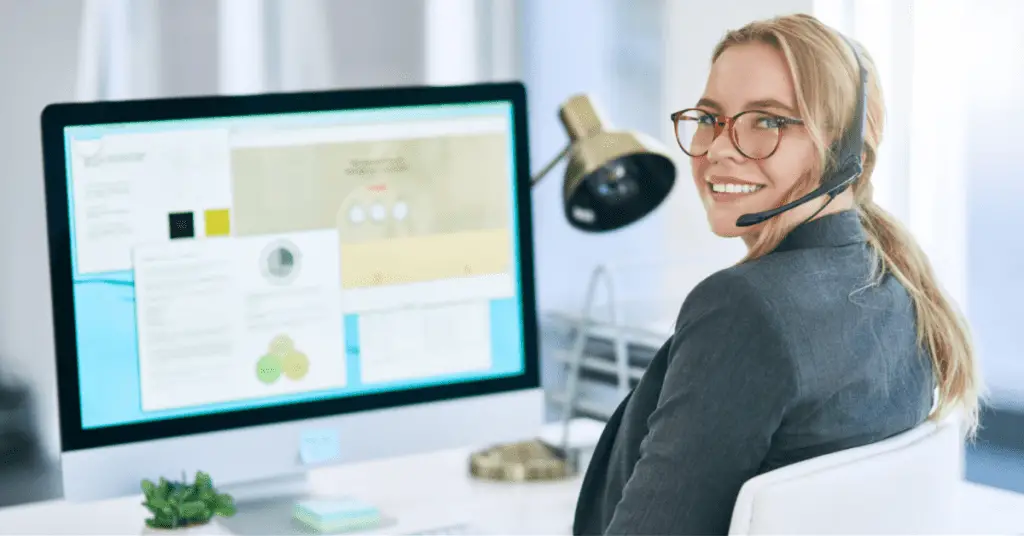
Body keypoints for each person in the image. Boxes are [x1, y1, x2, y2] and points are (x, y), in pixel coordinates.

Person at [572, 13, 981, 536]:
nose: (719, 148)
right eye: (710, 117)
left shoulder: (741, 308)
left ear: (843, 149)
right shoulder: (896, 286)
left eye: (766, 121)